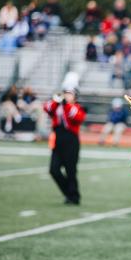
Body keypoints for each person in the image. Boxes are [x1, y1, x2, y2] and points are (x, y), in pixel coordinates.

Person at [43, 72, 86, 205]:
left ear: (75, 95)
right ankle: (69, 192)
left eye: (70, 93)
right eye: (65, 92)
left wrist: (66, 104)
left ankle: (74, 197)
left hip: (71, 141)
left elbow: (76, 117)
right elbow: (46, 108)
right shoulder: (57, 106)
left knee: (70, 171)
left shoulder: (78, 108)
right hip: (58, 140)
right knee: (53, 170)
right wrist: (58, 102)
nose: (66, 95)